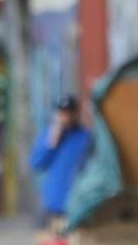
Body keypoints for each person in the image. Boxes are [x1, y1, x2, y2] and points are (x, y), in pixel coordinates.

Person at [29, 94, 92, 231]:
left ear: (76, 114)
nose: (66, 117)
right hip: (53, 204)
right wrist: (51, 143)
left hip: (77, 204)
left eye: (69, 113)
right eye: (63, 113)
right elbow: (36, 163)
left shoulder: (85, 137)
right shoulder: (49, 135)